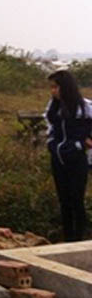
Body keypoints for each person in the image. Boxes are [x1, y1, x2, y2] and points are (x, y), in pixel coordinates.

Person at [45, 70, 92, 242]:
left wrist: (83, 143)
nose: (53, 91)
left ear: (66, 87)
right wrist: (51, 144)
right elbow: (50, 128)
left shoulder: (84, 107)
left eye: (55, 87)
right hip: (58, 159)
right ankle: (68, 238)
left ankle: (79, 239)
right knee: (64, 200)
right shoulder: (53, 108)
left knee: (76, 199)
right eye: (51, 87)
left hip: (77, 159)